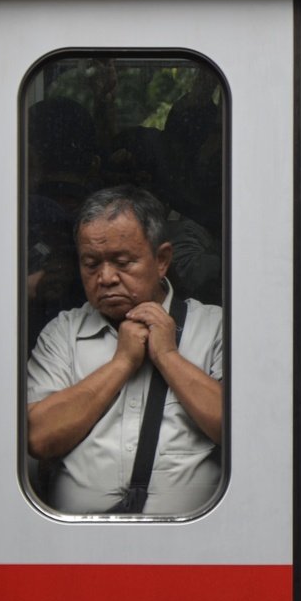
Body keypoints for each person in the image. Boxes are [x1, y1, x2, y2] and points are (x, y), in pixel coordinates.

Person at [27, 185, 223, 514]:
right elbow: (40, 438)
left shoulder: (214, 326)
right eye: (91, 264)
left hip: (197, 550)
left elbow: (241, 432)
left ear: (162, 260)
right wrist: (121, 364)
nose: (105, 278)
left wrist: (168, 357)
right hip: (75, 547)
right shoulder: (63, 333)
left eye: (122, 262)